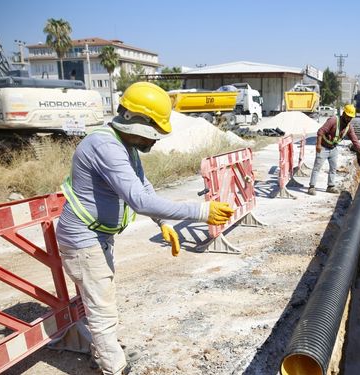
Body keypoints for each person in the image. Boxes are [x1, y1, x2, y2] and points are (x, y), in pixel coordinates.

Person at [56, 82, 235, 375]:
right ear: (137, 122)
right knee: (102, 310)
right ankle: (114, 369)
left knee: (102, 300)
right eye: (155, 132)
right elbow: (139, 201)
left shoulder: (125, 145)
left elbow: (144, 186)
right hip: (83, 239)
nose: (156, 140)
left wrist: (163, 223)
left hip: (97, 237)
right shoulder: (105, 146)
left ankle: (102, 354)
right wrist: (201, 211)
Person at [307, 104, 360, 195]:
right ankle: (311, 187)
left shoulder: (348, 127)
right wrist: (318, 145)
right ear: (343, 114)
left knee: (333, 168)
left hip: (333, 148)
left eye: (351, 117)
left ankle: (330, 186)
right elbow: (320, 131)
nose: (349, 119)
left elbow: (355, 140)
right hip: (323, 147)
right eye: (348, 117)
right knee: (317, 167)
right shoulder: (333, 120)